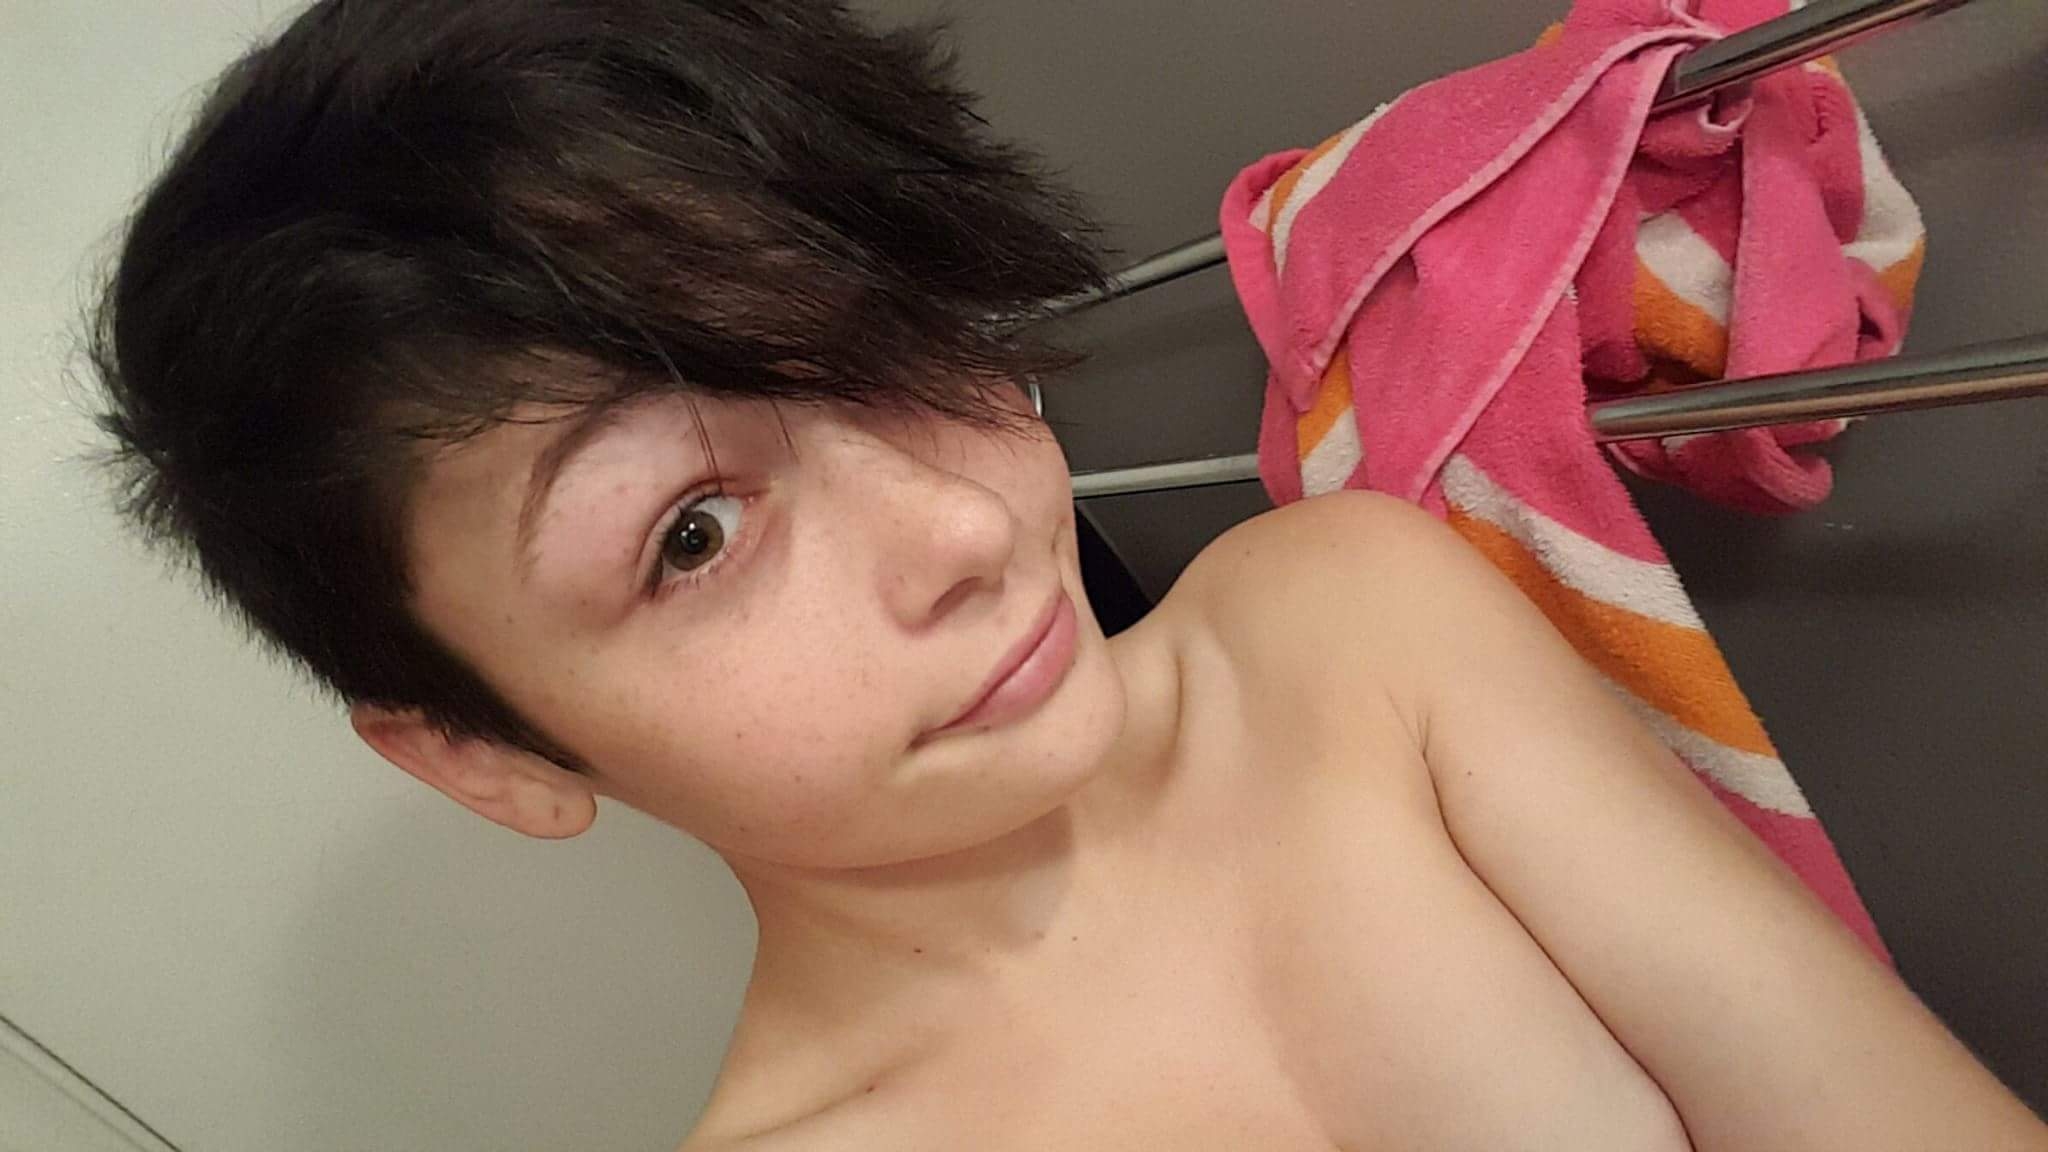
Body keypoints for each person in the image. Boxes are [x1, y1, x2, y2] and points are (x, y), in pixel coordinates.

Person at [90, 2, 2045, 1148]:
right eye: (691, 533)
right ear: (483, 753)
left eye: (890, 339)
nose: (965, 527)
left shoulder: (1349, 633)